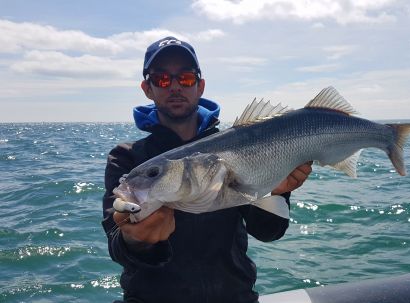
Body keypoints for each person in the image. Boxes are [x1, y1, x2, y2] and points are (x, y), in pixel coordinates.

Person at [101, 36, 312, 303]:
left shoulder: (239, 146)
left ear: (200, 86)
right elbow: (117, 246)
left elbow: (268, 232)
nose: (175, 86)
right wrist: (137, 240)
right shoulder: (128, 159)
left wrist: (277, 191)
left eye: (186, 78)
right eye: (163, 79)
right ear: (147, 88)